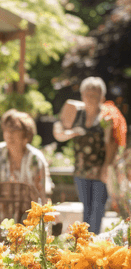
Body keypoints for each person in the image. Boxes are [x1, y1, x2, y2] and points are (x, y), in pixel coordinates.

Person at [53, 77, 119, 233]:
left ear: (102, 97)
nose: (90, 98)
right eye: (87, 94)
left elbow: (111, 144)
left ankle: (94, 242)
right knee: (86, 207)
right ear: (82, 95)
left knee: (97, 208)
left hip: (99, 170)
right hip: (81, 170)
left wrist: (106, 168)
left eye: (95, 95)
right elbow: (59, 130)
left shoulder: (106, 117)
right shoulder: (77, 114)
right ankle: (84, 242)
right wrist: (69, 133)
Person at [0, 109, 52, 203]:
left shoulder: (35, 158)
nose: (9, 133)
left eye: (14, 130)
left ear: (26, 134)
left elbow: (42, 193)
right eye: (6, 129)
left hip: (28, 213)